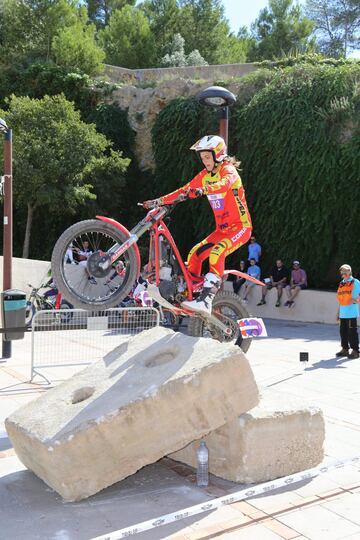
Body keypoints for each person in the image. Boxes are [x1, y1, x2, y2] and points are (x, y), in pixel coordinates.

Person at [143, 135, 252, 315]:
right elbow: (184, 190)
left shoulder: (229, 170)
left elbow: (224, 185)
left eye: (207, 157)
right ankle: (190, 294)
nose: (204, 161)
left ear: (218, 154)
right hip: (222, 230)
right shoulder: (204, 175)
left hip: (240, 228)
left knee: (217, 253)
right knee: (195, 254)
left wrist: (203, 190)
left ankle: (207, 299)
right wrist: (158, 201)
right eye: (202, 158)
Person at [336, 264, 360, 359]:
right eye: (342, 271)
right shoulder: (341, 283)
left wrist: (356, 300)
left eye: (345, 271)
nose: (343, 273)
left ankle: (355, 351)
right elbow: (340, 299)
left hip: (351, 313)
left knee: (352, 332)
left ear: (350, 271)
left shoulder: (355, 282)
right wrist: (338, 312)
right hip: (343, 313)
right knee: (343, 332)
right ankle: (345, 349)